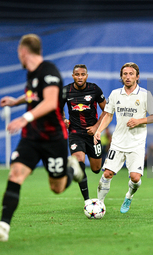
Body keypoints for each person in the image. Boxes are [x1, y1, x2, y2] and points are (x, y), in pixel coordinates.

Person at [0, 34, 83, 242]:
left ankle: (72, 169)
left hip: (53, 139)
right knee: (15, 173)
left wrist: (24, 117)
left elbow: (51, 101)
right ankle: (3, 227)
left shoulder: (49, 71)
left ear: (23, 52)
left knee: (57, 188)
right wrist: (17, 101)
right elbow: (34, 95)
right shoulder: (31, 75)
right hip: (31, 138)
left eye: (18, 52)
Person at [94, 62, 153, 213]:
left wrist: (139, 121)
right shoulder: (115, 94)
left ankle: (129, 195)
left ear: (137, 76)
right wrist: (99, 131)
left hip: (136, 143)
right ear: (121, 77)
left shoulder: (144, 95)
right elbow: (109, 115)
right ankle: (99, 204)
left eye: (131, 74)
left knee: (135, 178)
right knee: (107, 173)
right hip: (117, 142)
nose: (127, 77)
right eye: (125, 74)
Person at [62, 64, 106, 204]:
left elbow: (107, 110)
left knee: (96, 169)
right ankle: (87, 201)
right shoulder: (66, 91)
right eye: (77, 74)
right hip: (75, 133)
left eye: (82, 74)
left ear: (86, 76)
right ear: (73, 76)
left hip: (92, 134)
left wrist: (96, 127)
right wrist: (63, 119)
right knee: (79, 163)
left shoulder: (94, 89)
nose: (80, 77)